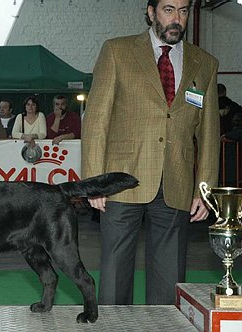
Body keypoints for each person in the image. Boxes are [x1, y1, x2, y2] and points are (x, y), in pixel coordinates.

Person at [81, 0, 219, 305]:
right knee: (115, 277)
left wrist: (204, 188)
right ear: (150, 11)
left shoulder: (205, 63)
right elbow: (96, 120)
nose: (177, 19)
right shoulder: (116, 51)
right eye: (169, 9)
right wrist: (94, 181)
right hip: (120, 182)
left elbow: (208, 133)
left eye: (184, 11)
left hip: (176, 182)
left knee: (169, 281)